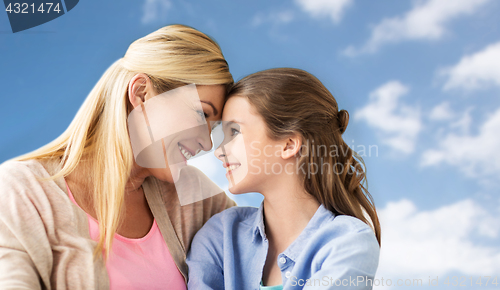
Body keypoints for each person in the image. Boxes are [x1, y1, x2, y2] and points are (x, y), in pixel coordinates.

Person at [0, 24, 235, 290]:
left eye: (213, 127)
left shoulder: (194, 196)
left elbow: (274, 243)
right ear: (141, 93)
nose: (206, 142)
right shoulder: (23, 191)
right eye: (201, 114)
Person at [186, 68, 381, 290]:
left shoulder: (348, 242)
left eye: (234, 132)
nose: (219, 151)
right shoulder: (219, 236)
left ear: (289, 144)